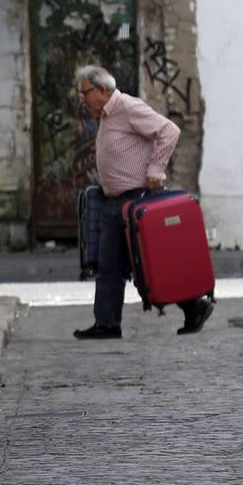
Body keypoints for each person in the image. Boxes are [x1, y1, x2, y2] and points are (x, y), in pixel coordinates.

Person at [72, 65, 214, 339]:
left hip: (137, 201)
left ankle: (195, 305)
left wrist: (155, 170)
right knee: (110, 265)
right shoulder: (105, 115)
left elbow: (169, 131)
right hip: (115, 202)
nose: (82, 100)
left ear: (102, 90)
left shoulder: (127, 107)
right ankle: (107, 324)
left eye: (85, 93)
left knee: (151, 265)